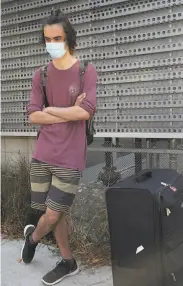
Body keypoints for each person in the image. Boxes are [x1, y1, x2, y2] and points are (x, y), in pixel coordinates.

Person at [21, 9, 97, 286]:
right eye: (47, 39)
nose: (51, 43)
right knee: (52, 213)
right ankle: (68, 261)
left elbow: (85, 112)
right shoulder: (40, 74)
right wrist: (66, 110)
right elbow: (32, 116)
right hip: (43, 154)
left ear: (69, 39)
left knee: (52, 213)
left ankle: (33, 238)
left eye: (58, 38)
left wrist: (50, 110)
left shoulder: (87, 70)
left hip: (70, 157)